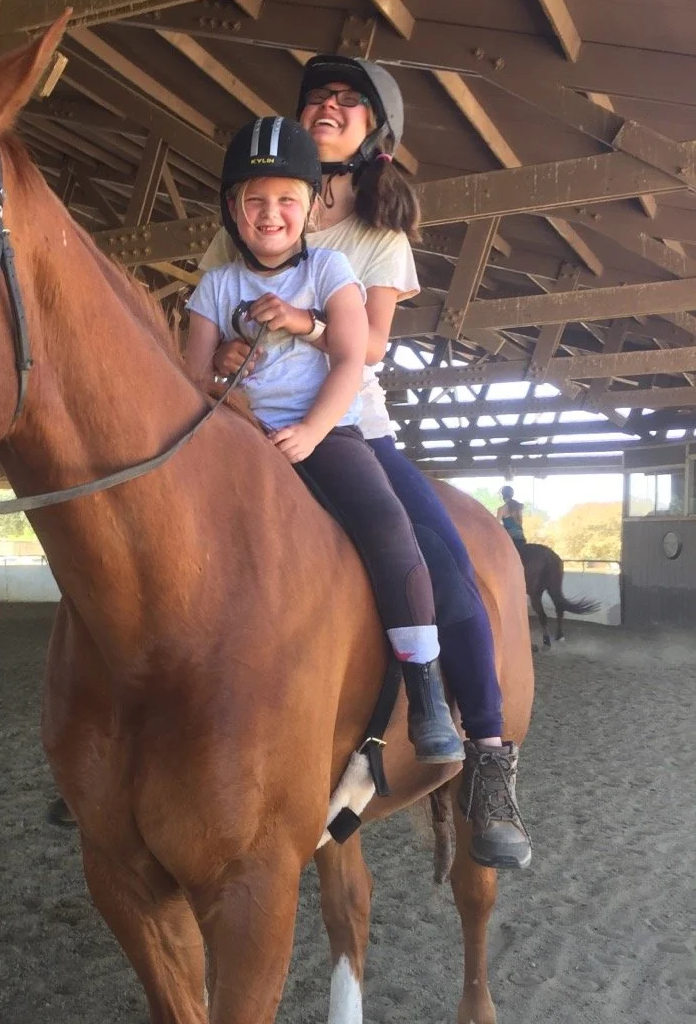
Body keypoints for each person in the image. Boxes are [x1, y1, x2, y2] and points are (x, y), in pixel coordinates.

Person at [204, 58, 531, 871]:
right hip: (245, 419)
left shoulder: (372, 233)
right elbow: (214, 308)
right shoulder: (253, 210)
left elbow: (372, 345)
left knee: (448, 567)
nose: (330, 106)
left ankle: (487, 756)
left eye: (348, 102)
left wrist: (302, 322)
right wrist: (231, 349)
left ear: (372, 132)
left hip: (350, 423)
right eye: (319, 95)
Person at [185, 115, 463, 765]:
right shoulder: (216, 284)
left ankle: (423, 690)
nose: (270, 213)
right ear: (233, 208)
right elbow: (190, 377)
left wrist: (311, 430)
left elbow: (348, 360)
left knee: (387, 525)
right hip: (236, 432)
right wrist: (221, 366)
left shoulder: (331, 270)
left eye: (286, 200)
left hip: (324, 430)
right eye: (254, 201)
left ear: (310, 207)